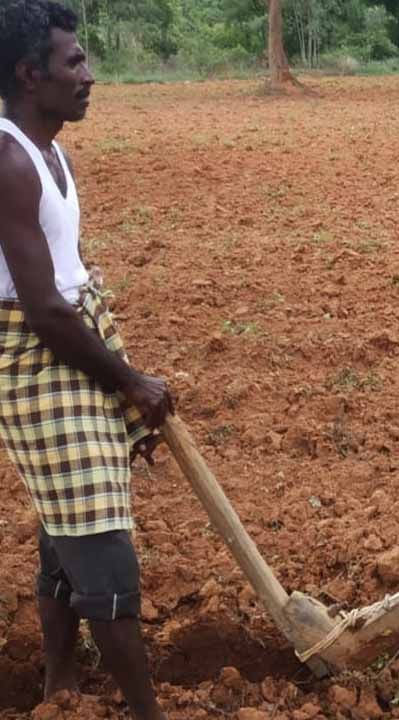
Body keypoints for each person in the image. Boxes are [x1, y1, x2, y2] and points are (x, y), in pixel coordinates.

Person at [0, 2, 174, 717]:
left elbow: (66, 281)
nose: (89, 75)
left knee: (62, 518)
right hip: (37, 359)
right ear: (28, 72)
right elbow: (41, 311)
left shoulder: (51, 151)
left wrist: (124, 375)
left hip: (72, 340)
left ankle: (59, 684)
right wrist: (129, 380)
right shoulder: (8, 159)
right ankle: (145, 713)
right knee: (101, 543)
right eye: (74, 62)